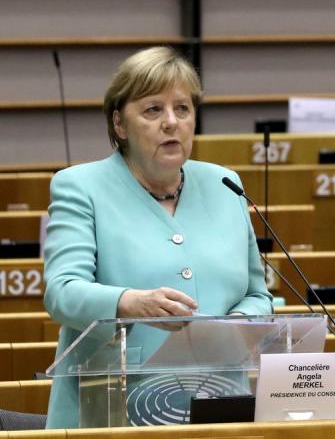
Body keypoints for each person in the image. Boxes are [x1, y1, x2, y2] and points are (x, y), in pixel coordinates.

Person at [43, 47, 273, 428]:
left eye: (182, 109)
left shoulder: (224, 183)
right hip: (111, 410)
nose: (171, 122)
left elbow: (256, 294)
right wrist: (131, 302)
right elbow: (62, 293)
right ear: (119, 124)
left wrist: (236, 326)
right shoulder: (80, 187)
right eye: (153, 110)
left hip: (218, 409)